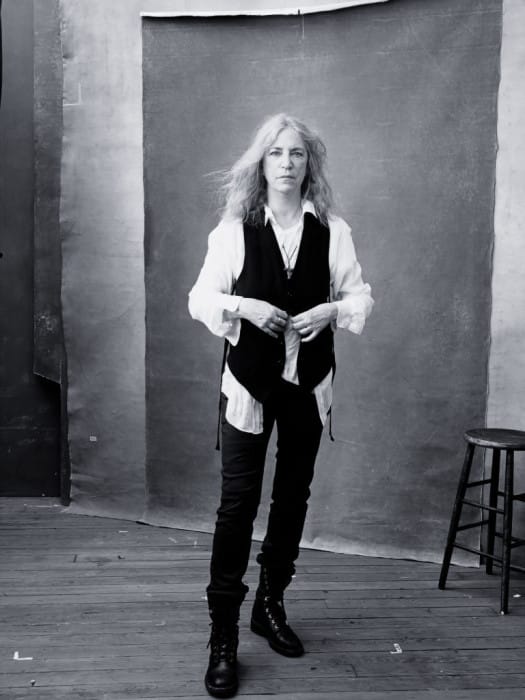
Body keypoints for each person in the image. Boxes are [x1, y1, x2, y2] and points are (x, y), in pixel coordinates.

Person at [188, 113, 373, 698]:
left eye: (297, 153)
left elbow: (360, 297)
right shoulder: (234, 230)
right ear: (261, 163)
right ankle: (223, 635)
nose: (287, 163)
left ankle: (270, 605)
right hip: (249, 385)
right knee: (237, 506)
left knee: (292, 497)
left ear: (308, 163)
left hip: (307, 384)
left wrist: (332, 310)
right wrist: (243, 306)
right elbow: (200, 298)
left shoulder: (332, 231)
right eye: (276, 153)